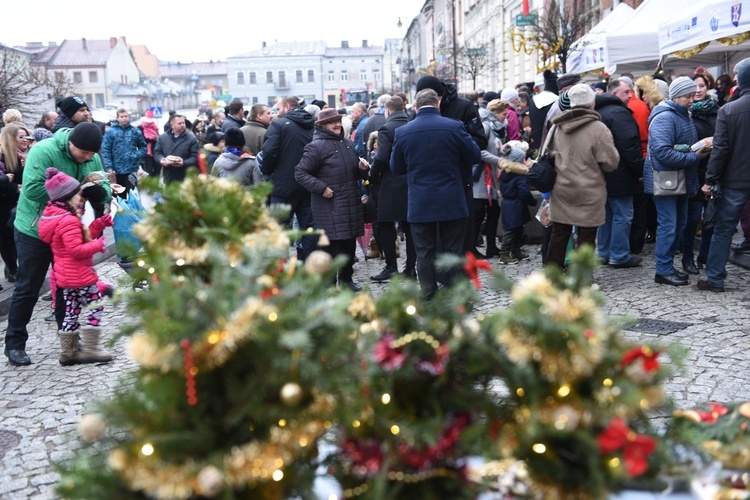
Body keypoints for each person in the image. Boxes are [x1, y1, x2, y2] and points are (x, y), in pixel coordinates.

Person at [4, 122, 111, 366]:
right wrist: (73, 192)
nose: (87, 159)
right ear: (71, 143)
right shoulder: (44, 151)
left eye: (91, 156)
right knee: (28, 287)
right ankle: (15, 344)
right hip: (35, 228)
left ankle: (69, 343)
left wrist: (100, 192)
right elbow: (31, 189)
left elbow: (102, 182)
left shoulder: (90, 157)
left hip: (69, 231)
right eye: (83, 154)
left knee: (67, 285)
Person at [390, 88, 482, 298]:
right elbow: (474, 155)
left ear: (415, 106)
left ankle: (429, 296)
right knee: (453, 249)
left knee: (424, 252)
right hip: (451, 198)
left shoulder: (403, 132)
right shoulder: (454, 126)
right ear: (438, 103)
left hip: (421, 200)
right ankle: (453, 294)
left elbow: (396, 168)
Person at [38, 168, 113, 365]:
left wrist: (98, 224)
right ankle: (91, 349)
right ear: (68, 197)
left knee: (71, 313)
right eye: (77, 193)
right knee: (96, 304)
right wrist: (98, 245)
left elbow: (77, 237)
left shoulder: (56, 216)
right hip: (78, 275)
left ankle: (68, 353)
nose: (81, 196)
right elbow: (76, 249)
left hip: (65, 276)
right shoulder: (69, 219)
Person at [545, 84, 619, 270]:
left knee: (559, 233)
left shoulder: (557, 127)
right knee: (587, 236)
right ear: (592, 103)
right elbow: (610, 163)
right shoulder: (598, 129)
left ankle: (552, 276)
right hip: (590, 190)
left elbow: (548, 155)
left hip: (562, 188)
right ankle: (582, 278)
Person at [295, 108, 369, 292]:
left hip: (349, 204)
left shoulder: (346, 143)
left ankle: (346, 280)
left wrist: (361, 169)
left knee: (349, 246)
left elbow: (353, 173)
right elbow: (300, 173)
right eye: (331, 122)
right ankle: (330, 284)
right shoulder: (316, 146)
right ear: (322, 125)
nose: (337, 124)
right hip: (329, 206)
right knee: (331, 248)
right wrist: (321, 188)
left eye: (338, 120)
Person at [644, 77, 705, 287]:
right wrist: (694, 156)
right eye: (688, 96)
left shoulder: (681, 114)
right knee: (669, 225)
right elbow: (662, 152)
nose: (691, 100)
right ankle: (663, 269)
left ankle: (667, 266)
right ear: (677, 95)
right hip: (666, 180)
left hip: (678, 179)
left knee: (678, 225)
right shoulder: (665, 117)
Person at [698, 58, 750, 293]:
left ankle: (715, 278)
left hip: (734, 180)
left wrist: (710, 180)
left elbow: (720, 149)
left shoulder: (729, 110)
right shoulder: (728, 109)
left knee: (724, 229)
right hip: (735, 180)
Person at [594, 79, 644, 269]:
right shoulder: (619, 113)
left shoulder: (598, 112)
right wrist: (639, 170)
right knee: (622, 215)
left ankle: (604, 252)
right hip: (620, 172)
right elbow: (629, 146)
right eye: (625, 92)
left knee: (607, 215)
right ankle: (619, 255)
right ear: (614, 94)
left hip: (602, 173)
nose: (630, 95)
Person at [260, 95, 316, 260]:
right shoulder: (312, 125)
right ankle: (311, 268)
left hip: (283, 187)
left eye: (278, 109)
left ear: (288, 108)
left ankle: (280, 269)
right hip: (308, 184)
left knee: (278, 230)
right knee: (309, 231)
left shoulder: (278, 125)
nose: (276, 113)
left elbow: (269, 152)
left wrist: (267, 171)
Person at [369, 96, 415, 282]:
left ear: (387, 111)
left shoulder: (386, 129)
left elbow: (381, 157)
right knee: (411, 226)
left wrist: (372, 174)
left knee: (386, 223)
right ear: (403, 108)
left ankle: (391, 267)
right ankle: (411, 267)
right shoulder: (413, 125)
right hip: (412, 181)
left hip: (391, 181)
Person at [686, 69, 720, 274]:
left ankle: (705, 256)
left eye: (702, 86)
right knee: (691, 219)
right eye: (695, 87)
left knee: (711, 219)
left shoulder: (718, 111)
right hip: (693, 171)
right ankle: (688, 257)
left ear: (708, 88)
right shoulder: (687, 112)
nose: (698, 90)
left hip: (714, 171)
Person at [473, 98, 507, 260]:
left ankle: (491, 247)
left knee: (494, 212)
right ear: (494, 113)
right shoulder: (486, 127)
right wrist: (498, 160)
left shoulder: (497, 128)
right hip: (481, 177)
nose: (505, 117)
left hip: (492, 177)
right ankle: (471, 248)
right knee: (478, 213)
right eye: (503, 114)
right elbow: (478, 151)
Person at [0, 123, 31, 283]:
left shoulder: (29, 155)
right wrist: (15, 188)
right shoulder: (3, 156)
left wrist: (28, 165)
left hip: (22, 202)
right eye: (21, 137)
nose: (25, 140)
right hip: (5, 203)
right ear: (11, 139)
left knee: (21, 236)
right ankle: (11, 267)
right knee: (6, 238)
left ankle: (19, 266)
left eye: (27, 136)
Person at [498, 144, 535, 264]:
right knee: (511, 231)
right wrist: (532, 201)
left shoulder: (504, 174)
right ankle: (504, 254)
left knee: (516, 229)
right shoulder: (520, 177)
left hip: (508, 204)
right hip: (516, 206)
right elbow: (524, 192)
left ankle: (516, 250)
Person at [101, 109, 146, 193]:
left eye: (126, 116)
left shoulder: (135, 131)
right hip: (117, 169)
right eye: (122, 117)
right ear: (117, 118)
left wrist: (136, 155)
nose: (124, 118)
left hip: (132, 169)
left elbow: (143, 147)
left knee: (133, 193)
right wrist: (109, 167)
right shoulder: (111, 132)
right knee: (120, 194)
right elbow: (106, 150)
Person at [154, 114, 199, 183]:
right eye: (179, 123)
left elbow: (194, 157)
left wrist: (183, 162)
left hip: (185, 176)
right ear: (172, 125)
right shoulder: (163, 137)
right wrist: (161, 160)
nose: (182, 125)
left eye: (183, 123)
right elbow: (157, 152)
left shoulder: (191, 138)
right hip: (168, 175)